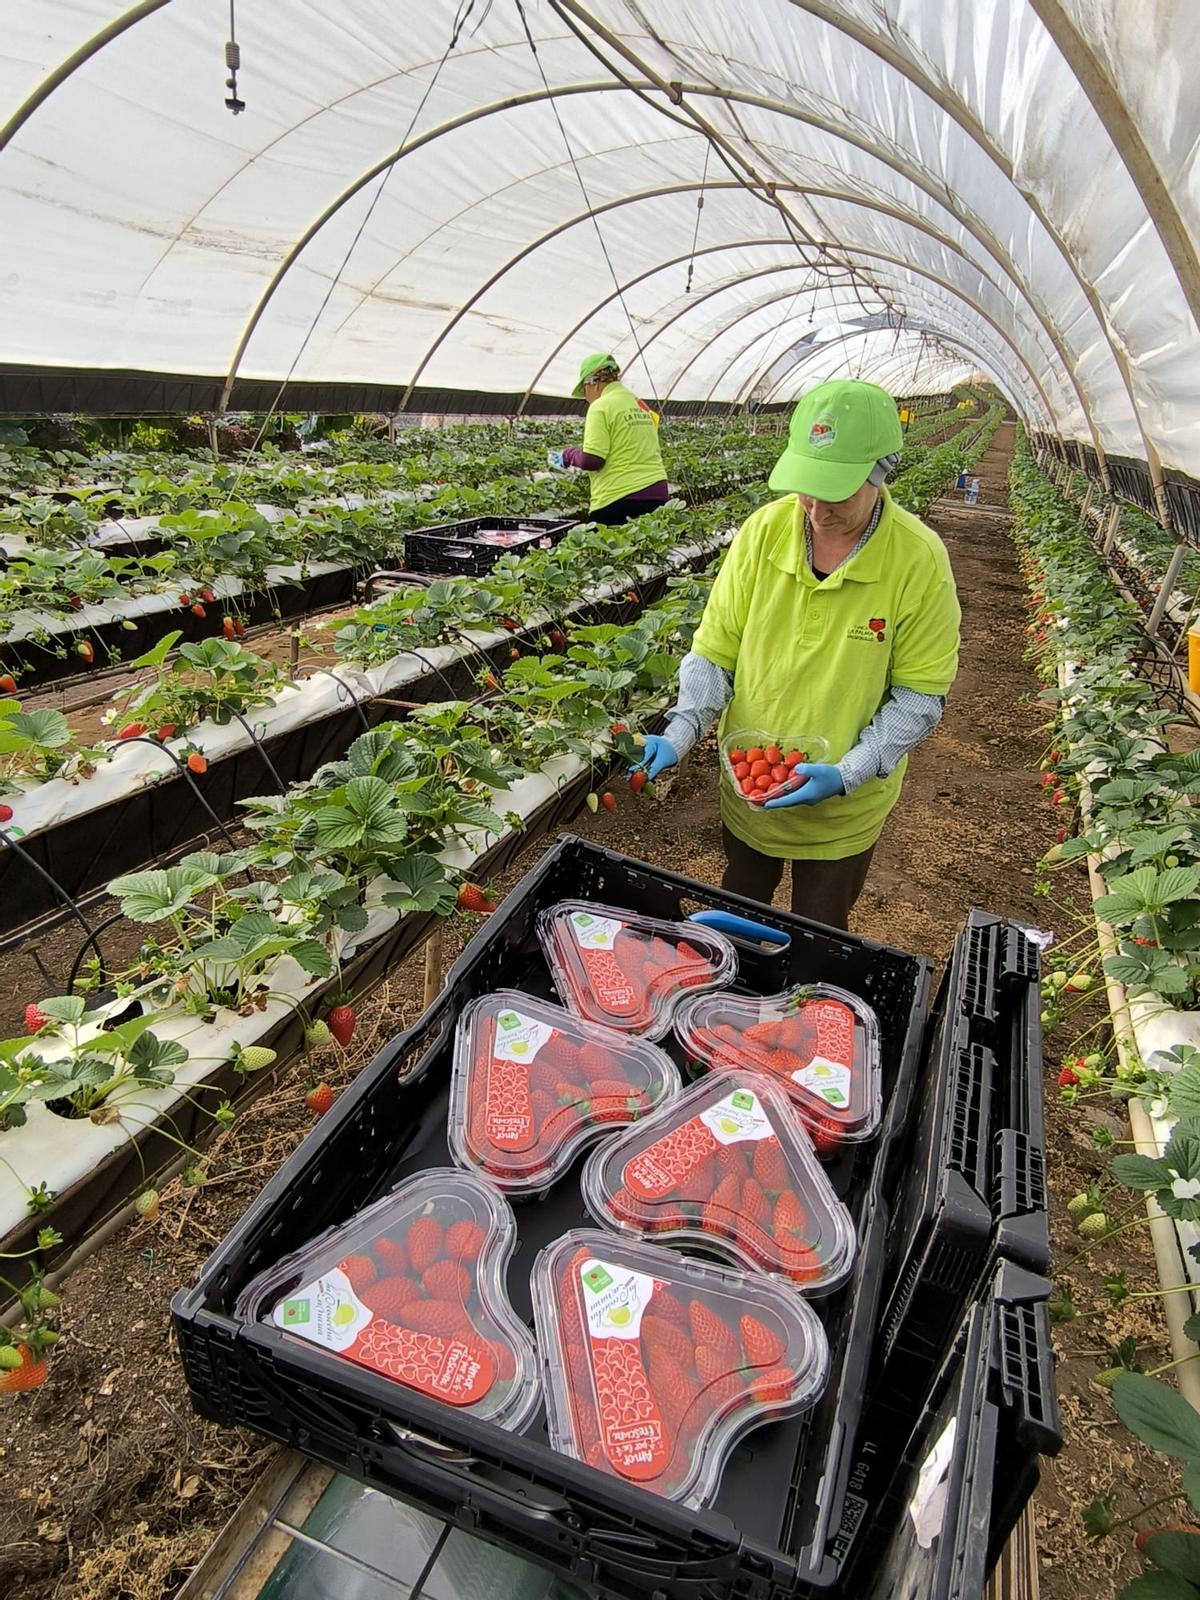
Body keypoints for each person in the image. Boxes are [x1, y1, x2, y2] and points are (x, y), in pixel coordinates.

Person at [634, 378, 961, 931]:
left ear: (881, 471)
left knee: (818, 933)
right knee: (736, 915)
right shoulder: (764, 532)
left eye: (835, 492)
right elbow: (714, 650)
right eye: (807, 487)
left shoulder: (919, 560)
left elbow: (919, 696)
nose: (816, 509)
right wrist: (682, 727)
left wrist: (850, 772)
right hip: (749, 789)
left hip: (844, 812)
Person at [549, 354, 669, 525]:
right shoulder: (639, 404)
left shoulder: (601, 406)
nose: (586, 397)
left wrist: (568, 455)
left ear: (594, 384)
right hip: (657, 492)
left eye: (584, 390)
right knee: (648, 542)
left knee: (603, 542)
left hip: (619, 497)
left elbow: (593, 460)